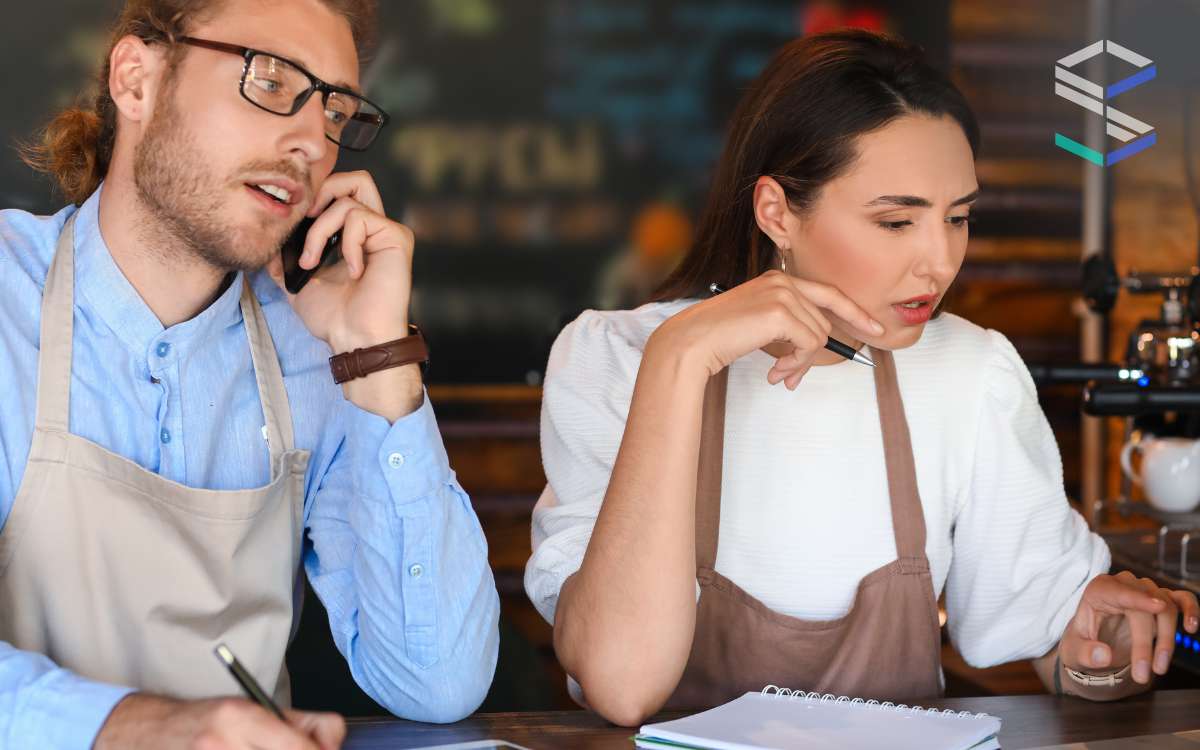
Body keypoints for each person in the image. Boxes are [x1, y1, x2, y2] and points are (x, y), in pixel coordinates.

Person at [524, 29, 1200, 727]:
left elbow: (1061, 639)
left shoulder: (968, 373)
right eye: (896, 221)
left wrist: (1105, 656)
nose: (939, 262)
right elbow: (622, 682)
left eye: (958, 217)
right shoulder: (620, 359)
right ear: (776, 211)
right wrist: (681, 357)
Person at [0, 0, 500, 747]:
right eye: (270, 81)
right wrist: (146, 729)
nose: (310, 142)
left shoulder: (314, 347)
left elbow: (437, 683)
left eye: (336, 112)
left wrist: (378, 358)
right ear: (136, 80)